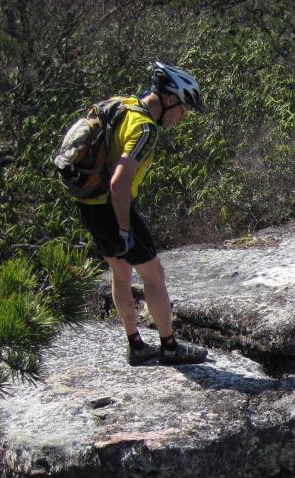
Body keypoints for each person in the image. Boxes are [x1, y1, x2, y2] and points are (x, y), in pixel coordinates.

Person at [76, 61, 209, 366]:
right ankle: (170, 346)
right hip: (114, 207)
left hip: (90, 204)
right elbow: (119, 183)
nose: (182, 117)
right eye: (184, 109)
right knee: (154, 274)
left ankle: (135, 345)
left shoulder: (124, 106)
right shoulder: (145, 129)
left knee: (120, 274)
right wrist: (124, 229)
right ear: (170, 99)